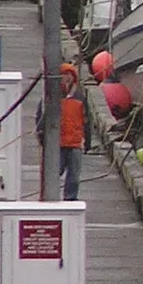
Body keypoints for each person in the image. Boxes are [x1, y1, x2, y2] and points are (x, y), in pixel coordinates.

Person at [37, 63, 89, 201]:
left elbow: (86, 120)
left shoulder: (79, 97)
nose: (67, 78)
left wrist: (87, 141)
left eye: (70, 75)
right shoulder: (50, 97)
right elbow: (41, 117)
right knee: (52, 173)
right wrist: (41, 135)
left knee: (74, 176)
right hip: (57, 143)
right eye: (64, 75)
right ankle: (48, 198)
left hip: (75, 143)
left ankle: (70, 199)